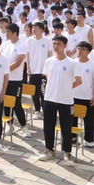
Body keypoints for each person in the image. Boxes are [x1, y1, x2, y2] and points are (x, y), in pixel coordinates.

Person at [38, 35, 82, 165]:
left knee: (66, 128)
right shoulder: (49, 61)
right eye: (54, 44)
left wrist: (66, 88)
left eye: (58, 44)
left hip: (66, 100)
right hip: (49, 98)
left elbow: (79, 81)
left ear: (65, 46)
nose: (55, 46)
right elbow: (46, 77)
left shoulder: (72, 63)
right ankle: (49, 150)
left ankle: (67, 153)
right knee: (48, 126)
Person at [0, 23, 31, 138]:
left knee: (16, 103)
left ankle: (24, 126)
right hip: (4, 79)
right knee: (5, 102)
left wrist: (4, 71)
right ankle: (10, 125)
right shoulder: (5, 45)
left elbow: (17, 63)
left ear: (15, 33)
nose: (6, 34)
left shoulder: (22, 45)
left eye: (8, 32)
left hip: (15, 80)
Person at [26, 22, 52, 120]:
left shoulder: (47, 40)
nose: (33, 29)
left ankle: (46, 111)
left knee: (43, 92)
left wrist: (48, 70)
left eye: (36, 28)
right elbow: (28, 55)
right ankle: (37, 111)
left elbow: (50, 55)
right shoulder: (29, 40)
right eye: (33, 28)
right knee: (34, 93)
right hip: (33, 71)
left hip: (43, 72)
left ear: (42, 30)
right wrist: (28, 68)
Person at [73, 42, 94, 148]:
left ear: (89, 52)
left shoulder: (92, 65)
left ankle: (89, 139)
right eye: (79, 48)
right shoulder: (72, 63)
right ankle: (72, 138)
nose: (80, 51)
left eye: (83, 49)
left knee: (89, 120)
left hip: (87, 96)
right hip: (73, 95)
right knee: (72, 118)